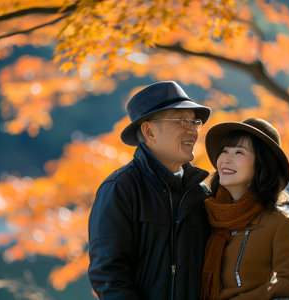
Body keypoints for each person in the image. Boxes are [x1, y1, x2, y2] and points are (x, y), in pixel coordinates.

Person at [88, 81, 212, 300]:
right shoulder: (120, 188)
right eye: (183, 121)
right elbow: (108, 276)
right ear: (149, 131)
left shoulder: (200, 194)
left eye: (195, 122)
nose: (193, 130)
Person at [200, 118, 289, 300]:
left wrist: (258, 295)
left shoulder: (278, 224)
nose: (226, 158)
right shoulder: (202, 211)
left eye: (239, 152)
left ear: (261, 165)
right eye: (225, 150)